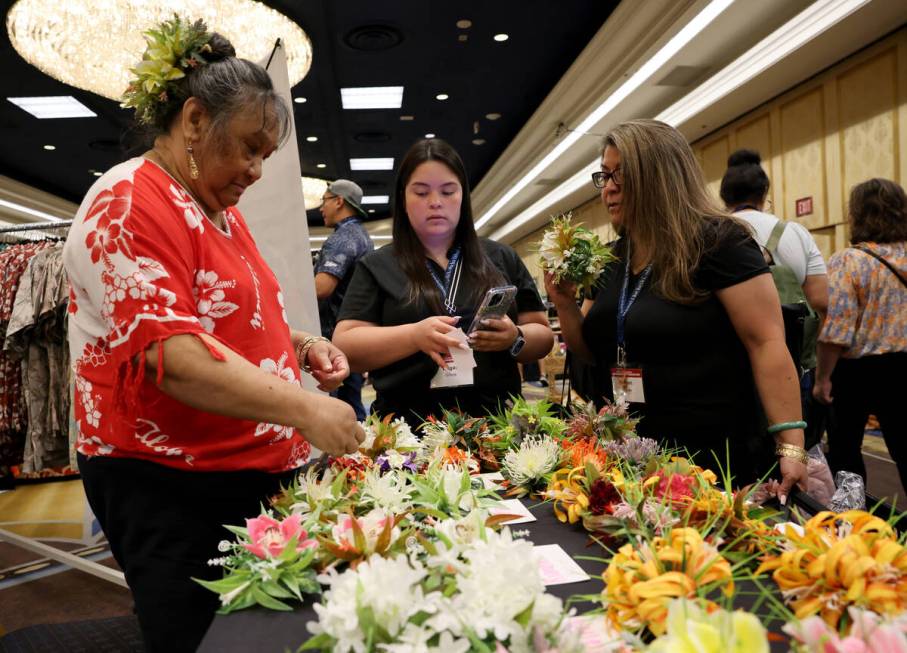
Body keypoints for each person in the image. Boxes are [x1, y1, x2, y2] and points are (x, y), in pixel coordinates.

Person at [62, 17, 364, 652]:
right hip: (172, 487)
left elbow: (241, 319)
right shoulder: (127, 202)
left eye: (265, 155)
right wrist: (307, 409)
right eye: (249, 148)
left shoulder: (216, 211)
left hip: (239, 476)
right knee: (205, 641)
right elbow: (174, 360)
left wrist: (305, 348)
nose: (256, 170)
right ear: (195, 121)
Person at [544, 119, 807, 497]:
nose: (610, 189)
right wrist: (564, 305)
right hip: (629, 456)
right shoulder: (611, 258)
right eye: (605, 176)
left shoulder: (720, 242)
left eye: (623, 175)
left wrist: (791, 446)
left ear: (660, 176)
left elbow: (766, 342)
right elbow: (590, 352)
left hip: (710, 461)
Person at [332, 138, 554, 425]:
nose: (435, 202)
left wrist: (515, 337)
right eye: (421, 192)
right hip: (408, 437)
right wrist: (413, 336)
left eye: (448, 191)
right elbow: (346, 344)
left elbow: (543, 335)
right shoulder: (377, 265)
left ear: (463, 195)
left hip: (498, 428)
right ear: (403, 198)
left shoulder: (499, 257)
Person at [720, 149, 829, 449]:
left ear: (724, 197)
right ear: (764, 193)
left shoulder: (715, 234)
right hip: (790, 360)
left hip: (730, 366)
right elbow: (820, 301)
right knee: (793, 447)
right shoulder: (795, 232)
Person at [813, 178, 907, 489]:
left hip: (857, 372)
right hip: (904, 365)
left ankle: (854, 526)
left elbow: (836, 330)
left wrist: (823, 378)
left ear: (857, 214)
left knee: (845, 452)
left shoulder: (849, 261)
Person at [314, 179, 374, 420]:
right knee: (352, 403)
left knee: (338, 409)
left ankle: (346, 456)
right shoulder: (362, 236)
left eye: (325, 200)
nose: (321, 208)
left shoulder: (342, 238)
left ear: (339, 201)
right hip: (353, 332)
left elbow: (322, 288)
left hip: (333, 337)